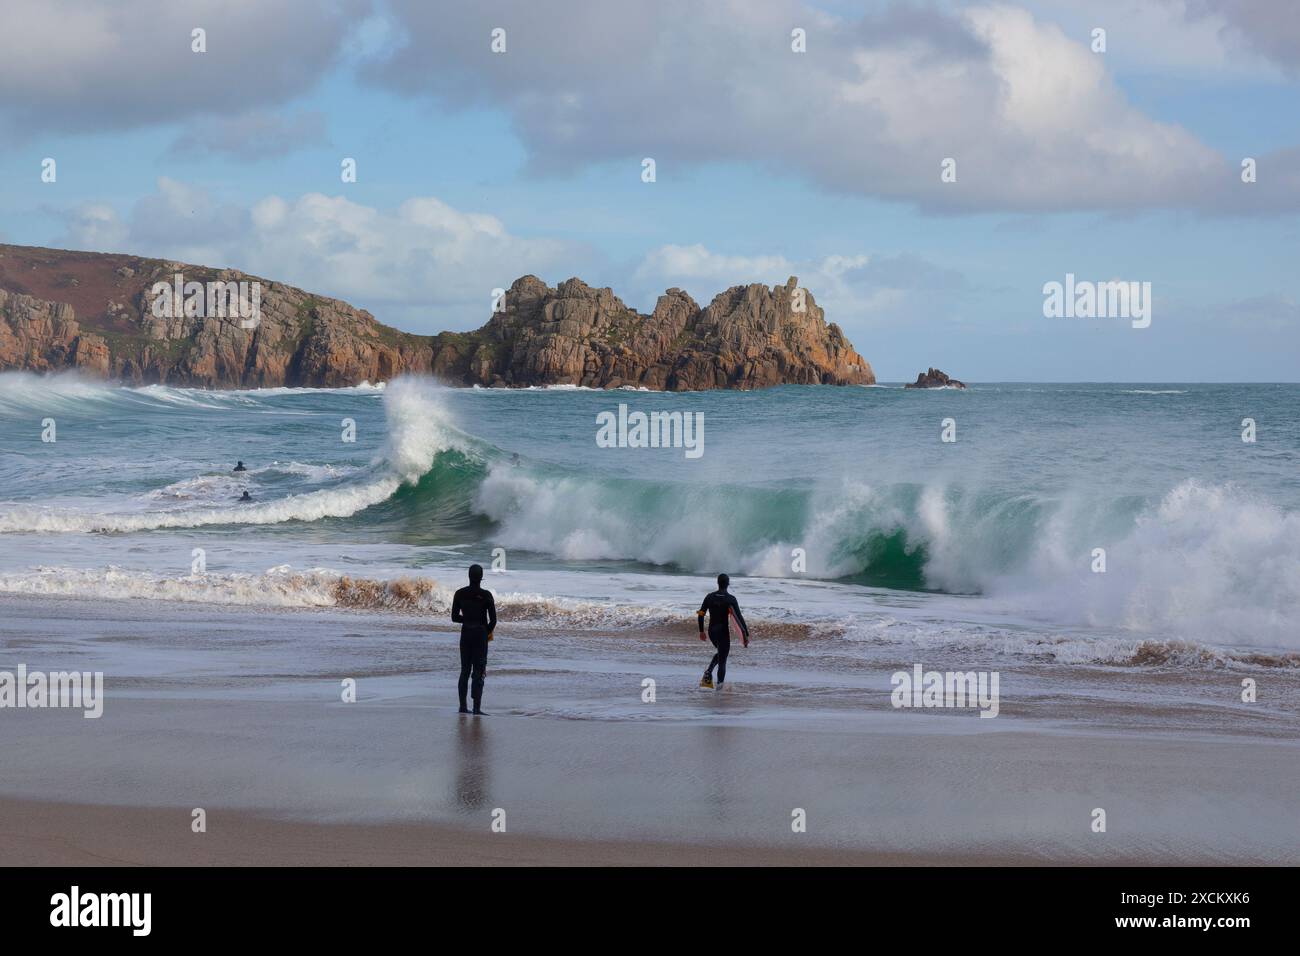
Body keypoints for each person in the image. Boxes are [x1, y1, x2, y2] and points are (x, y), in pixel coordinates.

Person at [451, 564, 497, 715]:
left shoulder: (459, 593)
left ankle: (463, 707)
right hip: (480, 635)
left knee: (465, 671)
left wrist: (467, 619)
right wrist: (485, 632)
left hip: (466, 635)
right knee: (479, 671)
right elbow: (493, 621)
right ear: (481, 577)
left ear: (469, 576)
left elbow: (454, 617)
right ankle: (477, 708)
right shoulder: (486, 595)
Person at [697, 573, 748, 689]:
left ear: (718, 583)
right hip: (723, 632)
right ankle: (719, 688)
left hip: (712, 632)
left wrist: (701, 631)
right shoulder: (731, 599)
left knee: (721, 653)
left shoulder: (709, 597)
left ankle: (709, 671)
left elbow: (701, 614)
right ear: (728, 584)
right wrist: (745, 634)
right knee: (723, 659)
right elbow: (739, 617)